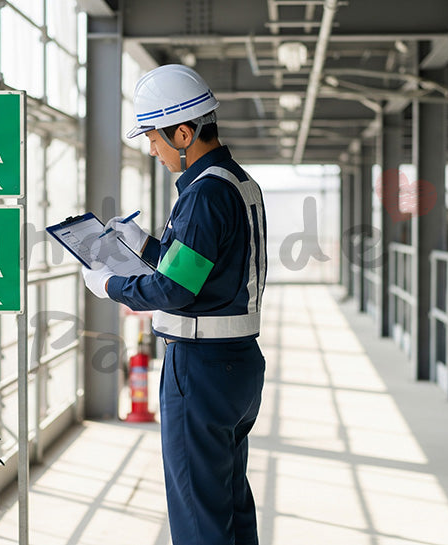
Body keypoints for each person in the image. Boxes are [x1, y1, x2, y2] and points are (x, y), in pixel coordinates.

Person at [80, 64, 267, 545]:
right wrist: (144, 247)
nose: (153, 149)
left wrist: (110, 286)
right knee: (229, 503)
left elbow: (175, 290)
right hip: (238, 366)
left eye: (154, 138)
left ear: (183, 132)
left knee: (198, 516)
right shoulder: (237, 183)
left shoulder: (204, 195)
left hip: (200, 370)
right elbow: (200, 269)